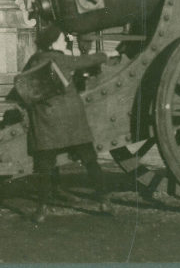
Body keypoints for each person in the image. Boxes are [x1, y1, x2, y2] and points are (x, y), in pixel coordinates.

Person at [19, 23, 112, 224]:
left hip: (46, 121)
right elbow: (86, 61)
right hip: (71, 120)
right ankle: (104, 200)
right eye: (62, 38)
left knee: (44, 166)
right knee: (90, 160)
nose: (65, 41)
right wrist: (104, 56)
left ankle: (42, 209)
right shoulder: (62, 59)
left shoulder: (35, 59)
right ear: (54, 42)